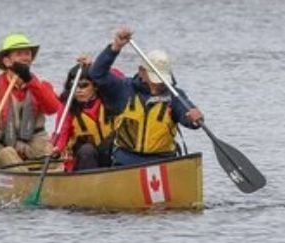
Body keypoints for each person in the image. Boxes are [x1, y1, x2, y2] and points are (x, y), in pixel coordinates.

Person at [87, 27, 203, 167]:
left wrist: (195, 119)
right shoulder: (124, 89)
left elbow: (189, 117)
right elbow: (96, 74)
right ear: (141, 72)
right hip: (126, 161)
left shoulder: (174, 95)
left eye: (161, 81)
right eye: (154, 80)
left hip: (163, 161)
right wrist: (115, 48)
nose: (158, 85)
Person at [0, 33, 62, 168]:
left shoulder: (41, 85)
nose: (25, 58)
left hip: (36, 149)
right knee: (8, 154)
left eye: (27, 54)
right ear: (7, 61)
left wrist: (30, 81)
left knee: (58, 155)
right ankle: (25, 183)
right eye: (19, 54)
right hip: (4, 149)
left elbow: (53, 108)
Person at [51, 57, 114, 172]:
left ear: (95, 86)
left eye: (84, 85)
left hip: (107, 154)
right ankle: (89, 185)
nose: (78, 90)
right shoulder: (67, 108)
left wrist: (96, 66)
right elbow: (62, 133)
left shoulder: (109, 100)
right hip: (82, 158)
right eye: (74, 86)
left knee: (115, 142)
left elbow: (118, 78)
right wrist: (57, 148)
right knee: (87, 150)